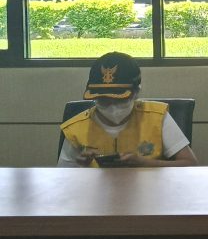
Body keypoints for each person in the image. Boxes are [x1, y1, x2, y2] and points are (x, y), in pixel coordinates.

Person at [58, 52, 198, 167]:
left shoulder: (157, 117)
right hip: (94, 191)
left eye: (120, 100)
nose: (112, 106)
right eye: (104, 100)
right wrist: (81, 167)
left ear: (136, 93)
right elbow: (62, 178)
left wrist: (144, 163)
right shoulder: (75, 128)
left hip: (150, 190)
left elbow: (190, 164)